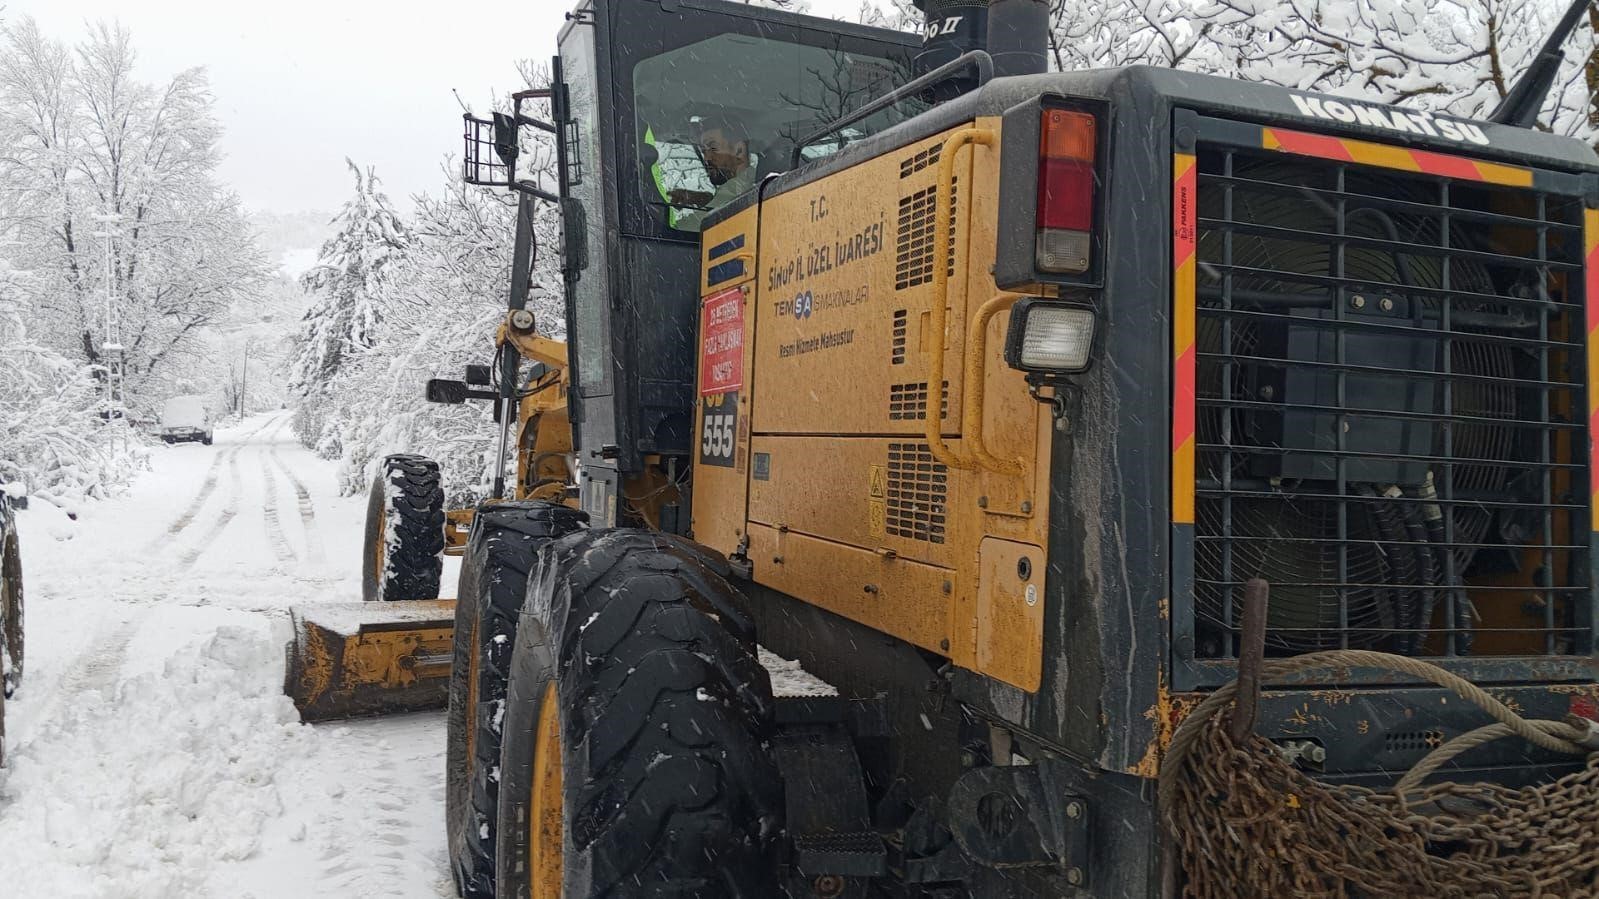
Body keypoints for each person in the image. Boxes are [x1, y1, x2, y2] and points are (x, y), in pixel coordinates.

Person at [670, 116, 755, 232]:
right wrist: (704, 199)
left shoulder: (737, 190)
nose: (706, 158)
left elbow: (689, 229)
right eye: (703, 151)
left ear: (739, 150)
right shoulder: (751, 185)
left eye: (713, 148)